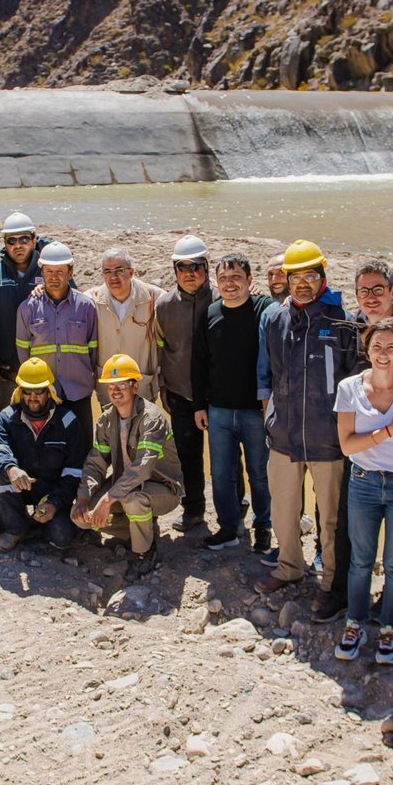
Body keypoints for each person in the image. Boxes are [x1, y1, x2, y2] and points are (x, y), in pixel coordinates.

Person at [254, 240, 359, 618]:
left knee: (330, 518)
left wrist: (344, 431)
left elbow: (353, 382)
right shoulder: (276, 318)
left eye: (309, 276)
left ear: (322, 277)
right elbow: (269, 372)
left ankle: (331, 584)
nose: (301, 284)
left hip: (327, 438)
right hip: (283, 436)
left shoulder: (343, 322)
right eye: (295, 277)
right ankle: (289, 567)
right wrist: (270, 416)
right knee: (284, 509)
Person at [333, 318, 393, 665]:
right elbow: (346, 445)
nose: (383, 354)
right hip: (364, 481)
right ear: (367, 350)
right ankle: (354, 622)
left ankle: (389, 627)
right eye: (377, 347)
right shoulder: (350, 388)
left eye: (391, 347)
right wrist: (392, 430)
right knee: (360, 560)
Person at [192, 253, 274, 554]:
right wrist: (199, 405)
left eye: (236, 277)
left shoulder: (265, 310)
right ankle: (228, 527)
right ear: (217, 281)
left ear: (250, 281)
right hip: (219, 411)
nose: (230, 283)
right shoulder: (211, 313)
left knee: (260, 474)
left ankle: (263, 527)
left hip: (256, 411)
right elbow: (199, 363)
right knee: (221, 474)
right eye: (224, 278)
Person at [73, 354, 183, 578]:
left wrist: (108, 499)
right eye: (110, 386)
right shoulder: (106, 420)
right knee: (84, 519)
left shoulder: (152, 418)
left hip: (161, 489)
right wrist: (83, 498)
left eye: (122, 385)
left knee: (134, 500)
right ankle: (137, 529)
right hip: (124, 489)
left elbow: (142, 468)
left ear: (135, 386)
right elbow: (96, 463)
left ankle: (144, 552)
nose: (115, 391)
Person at [0, 358, 89, 553]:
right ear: (19, 392)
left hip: (53, 491)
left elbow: (74, 472)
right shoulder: (7, 417)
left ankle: (39, 525)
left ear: (49, 392)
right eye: (26, 391)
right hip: (20, 486)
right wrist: (11, 469)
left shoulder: (67, 421)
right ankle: (16, 528)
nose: (32, 397)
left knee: (62, 538)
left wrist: (54, 503)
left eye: (39, 391)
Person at [155, 235, 215, 532]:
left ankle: (236, 510)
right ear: (174, 269)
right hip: (180, 394)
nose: (189, 273)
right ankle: (194, 510)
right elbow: (160, 347)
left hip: (218, 396)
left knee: (226, 457)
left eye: (196, 266)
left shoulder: (222, 300)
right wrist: (165, 387)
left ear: (207, 267)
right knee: (188, 456)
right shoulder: (164, 305)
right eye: (182, 266)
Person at [15, 241, 98, 423]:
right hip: (44, 394)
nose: (54, 277)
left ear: (70, 272)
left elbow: (93, 350)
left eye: (60, 271)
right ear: (41, 272)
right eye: (49, 271)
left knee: (81, 447)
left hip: (78, 392)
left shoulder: (86, 307)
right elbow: (23, 351)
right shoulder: (27, 308)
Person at [0, 212, 48, 405]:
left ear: (34, 240)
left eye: (24, 239)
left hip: (47, 367)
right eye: (11, 240)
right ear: (5, 243)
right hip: (9, 371)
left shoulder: (50, 271)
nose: (18, 245)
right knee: (13, 423)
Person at [86, 247, 160, 405]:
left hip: (142, 389)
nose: (113, 277)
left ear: (132, 272)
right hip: (108, 390)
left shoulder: (154, 298)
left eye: (119, 270)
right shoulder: (91, 300)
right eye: (107, 271)